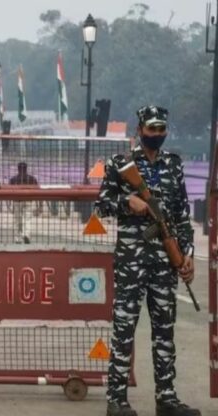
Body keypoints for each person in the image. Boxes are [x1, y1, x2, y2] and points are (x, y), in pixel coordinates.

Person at [94, 106, 198, 416]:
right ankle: (117, 400)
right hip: (131, 262)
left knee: (164, 331)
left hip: (164, 263)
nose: (157, 134)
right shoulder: (121, 164)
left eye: (161, 129)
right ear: (140, 130)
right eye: (151, 129)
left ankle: (166, 397)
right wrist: (128, 201)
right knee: (124, 330)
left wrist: (186, 254)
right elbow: (101, 206)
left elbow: (181, 212)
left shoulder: (173, 164)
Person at [9, 162, 39, 244]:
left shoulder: (13, 179)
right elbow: (38, 191)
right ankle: (26, 235)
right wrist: (39, 205)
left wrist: (9, 204)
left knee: (17, 220)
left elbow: (8, 192)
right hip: (28, 201)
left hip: (17, 201)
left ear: (18, 169)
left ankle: (17, 238)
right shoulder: (32, 179)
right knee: (27, 219)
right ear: (26, 168)